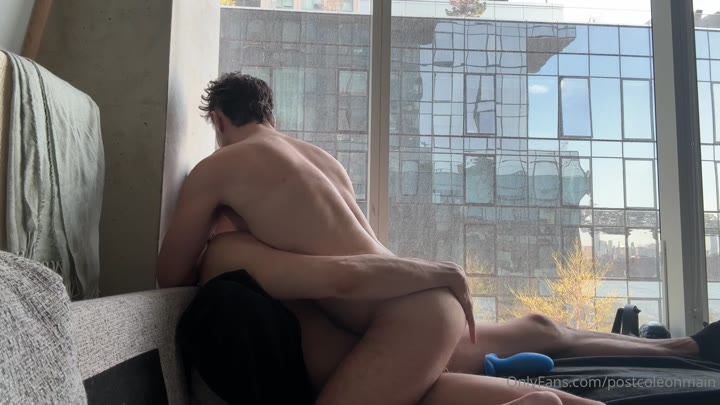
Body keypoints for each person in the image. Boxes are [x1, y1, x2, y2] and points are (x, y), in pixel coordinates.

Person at [157, 73, 717, 405]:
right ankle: (683, 350)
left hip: (399, 320)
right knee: (539, 332)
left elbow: (170, 275)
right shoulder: (320, 161)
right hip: (407, 307)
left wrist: (220, 234)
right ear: (269, 114)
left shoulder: (222, 167)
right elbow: (351, 251)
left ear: (219, 120)